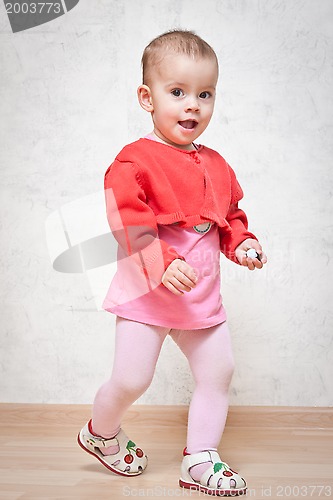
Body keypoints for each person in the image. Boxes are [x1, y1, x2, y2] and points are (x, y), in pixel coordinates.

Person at [78, 29, 267, 496]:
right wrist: (161, 259)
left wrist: (242, 243)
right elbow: (127, 221)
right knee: (130, 379)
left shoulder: (218, 164)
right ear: (147, 97)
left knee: (217, 373)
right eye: (177, 92)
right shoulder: (134, 161)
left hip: (199, 300)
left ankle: (200, 458)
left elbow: (230, 217)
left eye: (205, 94)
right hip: (148, 296)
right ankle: (100, 434)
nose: (193, 106)